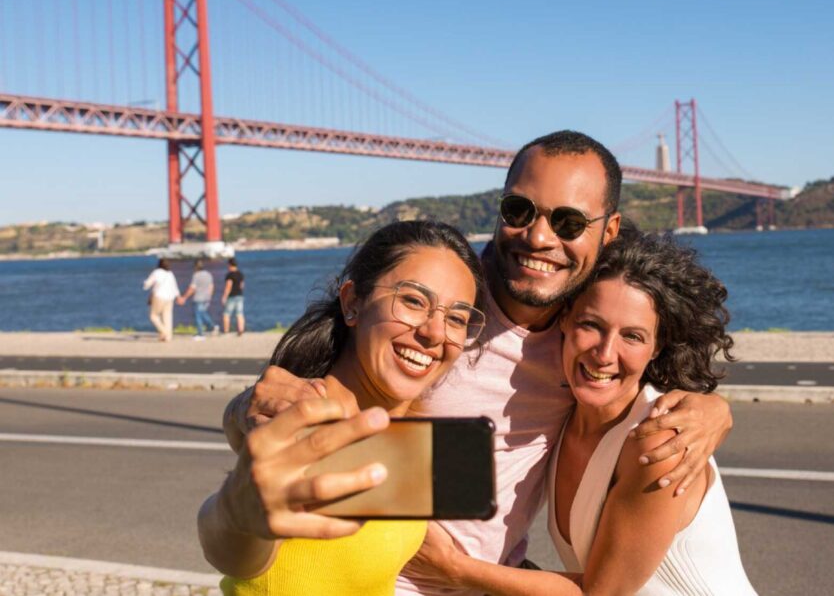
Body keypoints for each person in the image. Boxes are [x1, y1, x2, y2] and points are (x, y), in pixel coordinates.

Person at [215, 131, 734, 595]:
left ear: (610, 229)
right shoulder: (446, 307)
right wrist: (244, 410)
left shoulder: (584, 336)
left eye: (569, 222)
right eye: (519, 211)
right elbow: (311, 395)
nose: (538, 237)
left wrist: (713, 409)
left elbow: (643, 382)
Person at [412, 227, 757, 595]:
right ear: (564, 320)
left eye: (633, 336)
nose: (605, 354)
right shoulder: (562, 415)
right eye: (591, 325)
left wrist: (453, 567)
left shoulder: (659, 443)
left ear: (657, 347)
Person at [197, 220, 488, 595]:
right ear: (352, 302)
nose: (435, 332)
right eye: (414, 300)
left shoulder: (406, 432)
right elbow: (233, 548)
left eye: (456, 318)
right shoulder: (303, 419)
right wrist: (237, 517)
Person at [143, 258, 180, 342]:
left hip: (159, 296)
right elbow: (175, 286)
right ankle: (168, 337)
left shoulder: (157, 272)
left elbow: (147, 284)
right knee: (167, 317)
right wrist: (178, 296)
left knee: (154, 316)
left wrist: (145, 284)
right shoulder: (170, 273)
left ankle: (164, 332)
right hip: (170, 297)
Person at [178, 260, 217, 340]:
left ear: (196, 267)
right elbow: (211, 286)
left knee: (198, 316)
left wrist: (184, 297)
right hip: (207, 298)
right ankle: (213, 327)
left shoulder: (196, 275)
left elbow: (192, 288)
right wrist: (210, 296)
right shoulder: (208, 274)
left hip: (198, 298)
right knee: (203, 314)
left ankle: (200, 334)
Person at [222, 257, 246, 336]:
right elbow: (242, 285)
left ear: (229, 265)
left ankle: (226, 331)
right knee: (239, 314)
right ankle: (241, 330)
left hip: (232, 296)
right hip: (240, 295)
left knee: (226, 314)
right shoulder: (240, 274)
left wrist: (224, 297)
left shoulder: (229, 275)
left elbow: (228, 286)